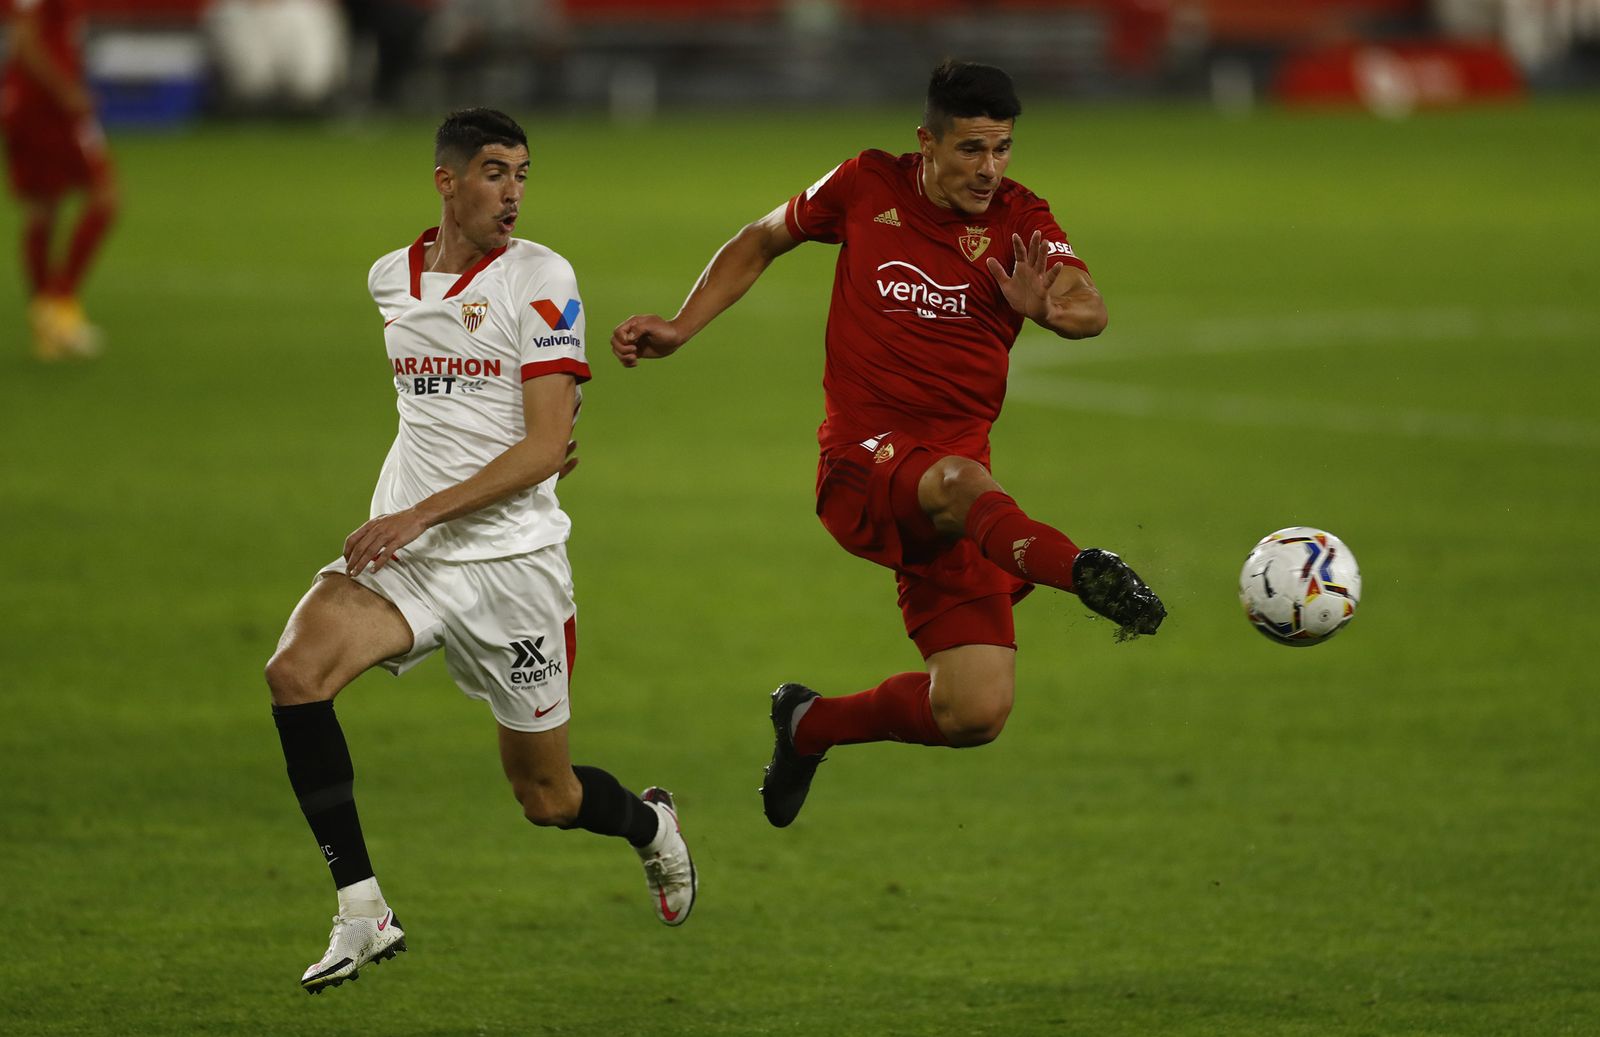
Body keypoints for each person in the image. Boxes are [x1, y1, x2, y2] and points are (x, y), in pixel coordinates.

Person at [611, 61, 1167, 830]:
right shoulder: (867, 184)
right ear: (926, 142)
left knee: (975, 707)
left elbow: (1089, 305)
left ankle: (808, 725)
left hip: (959, 501)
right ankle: (1082, 571)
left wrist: (1051, 310)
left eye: (1003, 148)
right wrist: (679, 325)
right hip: (862, 464)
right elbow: (761, 238)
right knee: (958, 479)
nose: (990, 169)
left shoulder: (1018, 217)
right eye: (972, 149)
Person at [265, 108, 696, 996]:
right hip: (409, 559)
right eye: (496, 172)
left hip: (512, 569)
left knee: (550, 798)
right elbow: (441, 415)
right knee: (294, 673)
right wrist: (412, 517)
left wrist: (422, 511)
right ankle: (361, 910)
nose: (513, 192)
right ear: (447, 181)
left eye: (524, 174)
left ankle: (651, 826)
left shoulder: (542, 277)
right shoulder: (392, 278)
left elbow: (543, 449)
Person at [1, 0, 118, 360]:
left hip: (34, 103)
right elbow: (25, 40)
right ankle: (60, 301)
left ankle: (48, 319)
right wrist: (66, 90)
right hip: (45, 107)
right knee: (105, 197)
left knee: (43, 211)